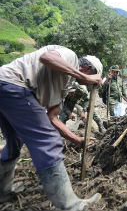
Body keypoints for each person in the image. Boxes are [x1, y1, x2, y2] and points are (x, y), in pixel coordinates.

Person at [0, 45, 102, 210]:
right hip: (14, 85)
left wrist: (77, 139)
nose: (89, 85)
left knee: (13, 142)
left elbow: (52, 117)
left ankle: (2, 193)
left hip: (5, 86)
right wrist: (85, 77)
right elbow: (47, 58)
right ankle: (72, 206)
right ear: (88, 69)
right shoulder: (70, 56)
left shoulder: (65, 82)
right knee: (49, 141)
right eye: (92, 79)